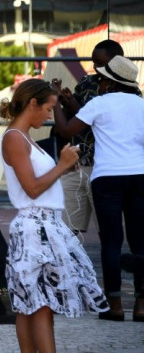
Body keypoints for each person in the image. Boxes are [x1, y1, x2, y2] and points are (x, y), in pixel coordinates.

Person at [0, 78, 109, 352]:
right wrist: (62, 165)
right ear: (32, 103)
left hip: (42, 226)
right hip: (35, 227)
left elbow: (38, 183)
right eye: (48, 107)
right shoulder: (15, 137)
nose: (51, 115)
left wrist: (63, 168)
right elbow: (32, 189)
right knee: (41, 304)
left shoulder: (22, 137)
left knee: (32, 304)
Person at [53, 55, 144, 322]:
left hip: (107, 178)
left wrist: (58, 101)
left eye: (102, 78)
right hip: (140, 177)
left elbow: (65, 129)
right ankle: (141, 306)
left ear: (110, 81)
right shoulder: (141, 104)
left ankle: (114, 305)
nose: (99, 82)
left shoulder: (100, 103)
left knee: (111, 242)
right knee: (140, 240)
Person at [51, 39, 136, 233]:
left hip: (105, 169)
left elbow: (92, 121)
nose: (95, 67)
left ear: (116, 63)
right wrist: (67, 101)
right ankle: (71, 262)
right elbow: (76, 118)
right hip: (77, 163)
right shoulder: (87, 82)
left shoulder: (128, 90)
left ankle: (114, 262)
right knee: (66, 228)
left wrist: (61, 102)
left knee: (109, 231)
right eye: (93, 61)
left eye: (99, 62)